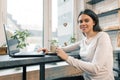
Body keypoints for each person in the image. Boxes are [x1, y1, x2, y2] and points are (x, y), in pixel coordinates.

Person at [38, 9, 114, 80]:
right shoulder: (83, 41)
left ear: (94, 22)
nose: (83, 23)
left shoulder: (103, 36)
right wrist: (49, 51)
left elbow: (95, 68)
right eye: (80, 21)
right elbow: (64, 49)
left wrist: (67, 58)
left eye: (86, 20)